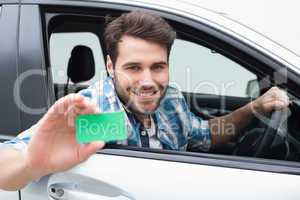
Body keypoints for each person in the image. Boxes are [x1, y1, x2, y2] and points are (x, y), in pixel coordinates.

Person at [0, 11, 289, 191]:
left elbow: (205, 136)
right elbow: (6, 163)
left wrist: (254, 107)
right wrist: (31, 163)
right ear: (111, 67)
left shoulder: (170, 101)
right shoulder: (97, 114)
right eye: (134, 67)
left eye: (158, 66)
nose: (148, 81)